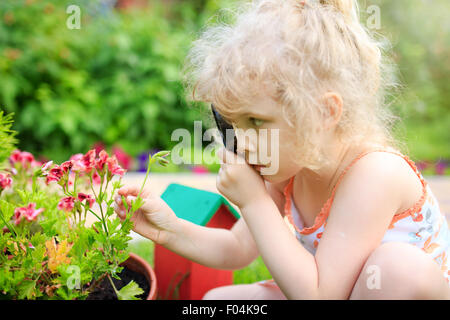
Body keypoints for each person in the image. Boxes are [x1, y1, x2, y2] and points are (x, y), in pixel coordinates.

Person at [114, 0, 450, 299]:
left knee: (396, 269)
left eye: (256, 121)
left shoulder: (375, 173)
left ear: (324, 113)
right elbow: (236, 248)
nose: (241, 142)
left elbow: (321, 294)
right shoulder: (289, 165)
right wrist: (168, 230)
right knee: (220, 301)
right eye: (233, 124)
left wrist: (255, 202)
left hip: (359, 290)